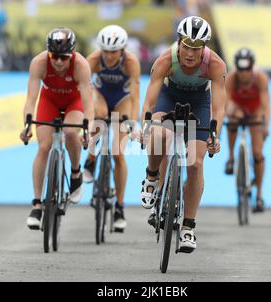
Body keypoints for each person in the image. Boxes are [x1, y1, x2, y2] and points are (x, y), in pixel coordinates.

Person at [140, 16, 226, 253]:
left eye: (196, 48)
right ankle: (151, 177)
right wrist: (145, 126)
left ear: (204, 48)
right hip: (169, 96)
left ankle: (188, 226)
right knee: (158, 135)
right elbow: (149, 99)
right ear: (179, 42)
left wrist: (214, 135)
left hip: (199, 102)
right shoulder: (166, 59)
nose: (190, 53)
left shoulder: (215, 64)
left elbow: (218, 107)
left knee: (196, 164)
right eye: (186, 46)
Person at [20, 28, 94, 230]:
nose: (59, 62)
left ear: (72, 55)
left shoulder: (81, 66)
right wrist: (27, 125)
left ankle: (76, 172)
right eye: (55, 57)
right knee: (43, 147)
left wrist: (87, 130)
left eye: (64, 57)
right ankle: (37, 204)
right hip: (49, 100)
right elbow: (30, 100)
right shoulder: (38, 63)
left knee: (71, 132)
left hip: (73, 101)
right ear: (48, 53)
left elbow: (88, 104)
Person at [83, 24, 141, 231]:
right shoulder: (93, 60)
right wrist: (86, 121)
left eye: (113, 52)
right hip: (100, 95)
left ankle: (119, 207)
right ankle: (90, 160)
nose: (109, 56)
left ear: (122, 50)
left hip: (122, 99)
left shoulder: (131, 62)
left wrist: (133, 123)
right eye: (106, 51)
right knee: (98, 116)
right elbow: (83, 89)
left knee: (118, 154)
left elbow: (134, 96)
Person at [224, 47, 271, 213]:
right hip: (238, 107)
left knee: (258, 154)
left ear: (252, 67)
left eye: (247, 69)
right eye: (241, 69)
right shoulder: (231, 78)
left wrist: (265, 126)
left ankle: (259, 195)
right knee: (232, 118)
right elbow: (225, 101)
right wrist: (230, 113)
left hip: (255, 110)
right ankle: (230, 157)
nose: (244, 73)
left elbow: (266, 105)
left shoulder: (260, 78)